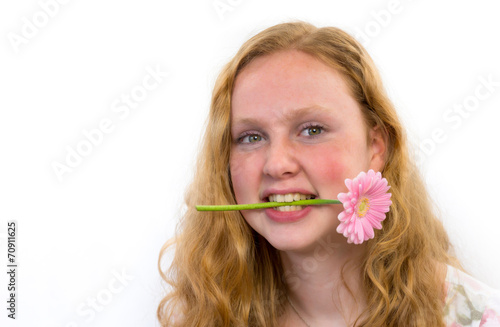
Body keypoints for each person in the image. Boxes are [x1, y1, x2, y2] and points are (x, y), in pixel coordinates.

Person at [157, 21, 500, 326]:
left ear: (376, 146)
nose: (276, 164)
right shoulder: (206, 317)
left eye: (312, 130)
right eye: (252, 137)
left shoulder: (475, 316)